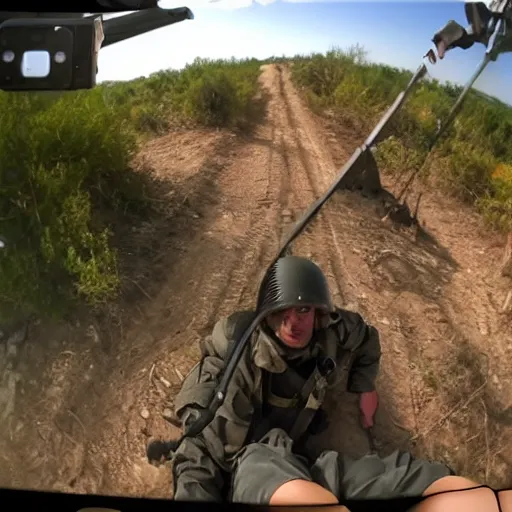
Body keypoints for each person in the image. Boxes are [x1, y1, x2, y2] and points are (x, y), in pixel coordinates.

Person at [170, 255, 462, 505]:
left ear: (318, 312)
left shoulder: (335, 331)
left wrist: (365, 386)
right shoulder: (235, 355)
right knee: (266, 463)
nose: (292, 322)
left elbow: (368, 341)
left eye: (302, 310)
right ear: (265, 315)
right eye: (280, 311)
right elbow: (199, 456)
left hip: (305, 464)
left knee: (419, 483)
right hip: (252, 462)